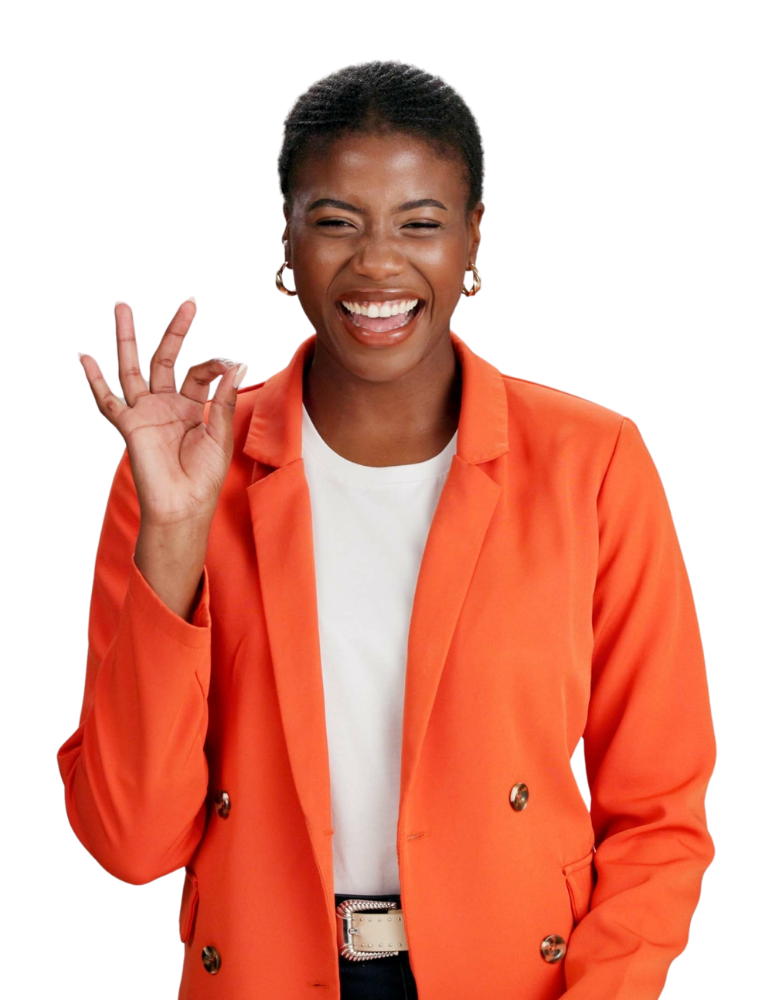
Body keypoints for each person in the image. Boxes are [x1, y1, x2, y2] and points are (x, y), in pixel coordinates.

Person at [57, 60, 717, 999]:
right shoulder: (185, 469)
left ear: (472, 239)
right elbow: (130, 842)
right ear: (286, 238)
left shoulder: (593, 459)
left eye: (419, 222)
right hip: (264, 975)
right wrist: (172, 531)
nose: (376, 263)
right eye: (335, 222)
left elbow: (660, 815)